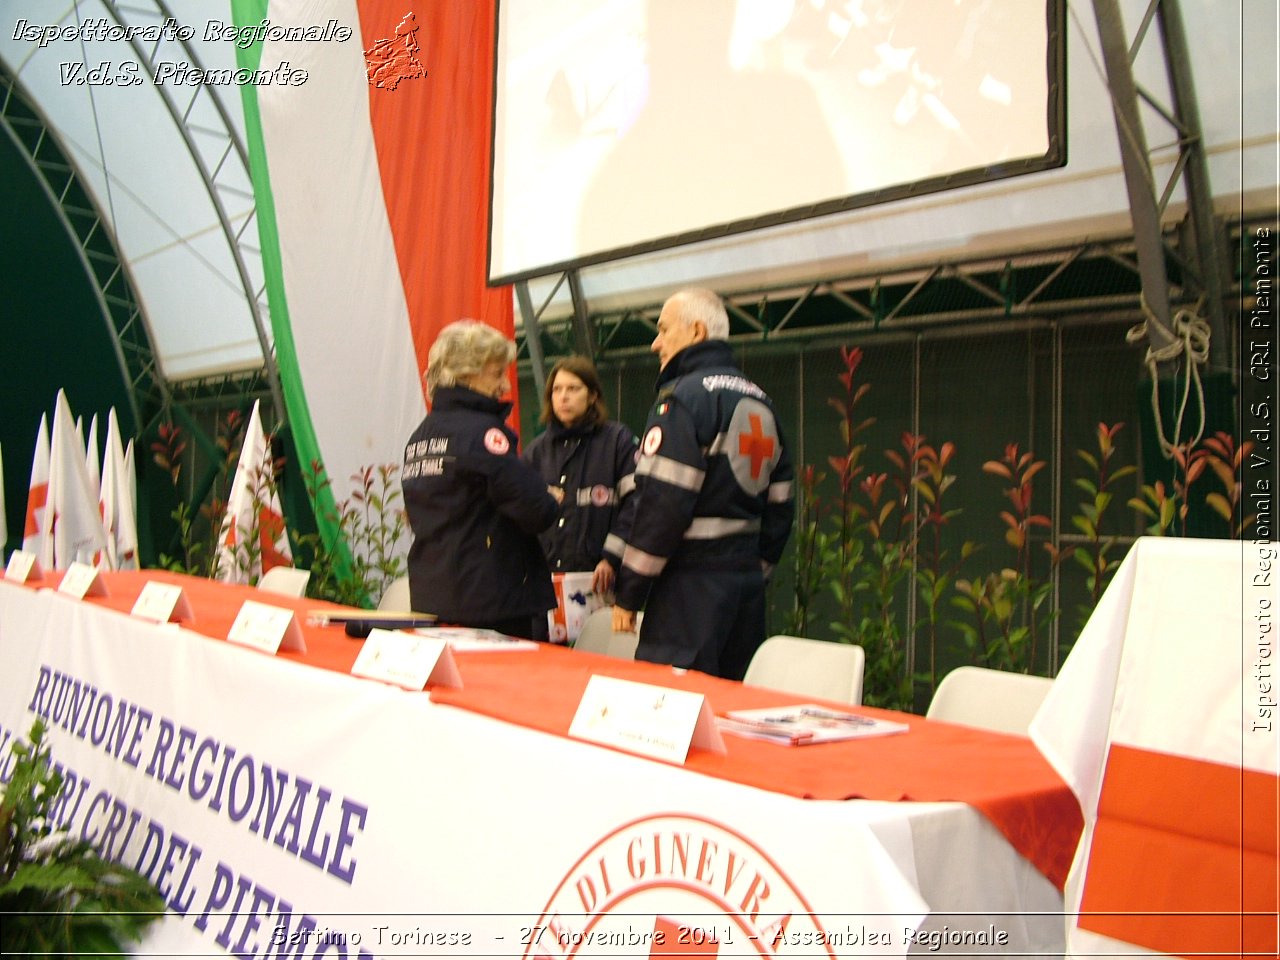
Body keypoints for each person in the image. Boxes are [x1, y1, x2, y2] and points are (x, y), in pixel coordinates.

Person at [611, 288, 794, 679]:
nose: (655, 343)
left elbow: (661, 507)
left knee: (668, 716)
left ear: (696, 332)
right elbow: (782, 505)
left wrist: (629, 594)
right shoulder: (764, 402)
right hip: (745, 594)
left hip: (687, 596)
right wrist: (748, 569)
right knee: (729, 718)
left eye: (662, 329)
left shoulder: (681, 400)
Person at [402, 321, 557, 638]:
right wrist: (549, 496)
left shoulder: (420, 437)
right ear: (468, 372)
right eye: (497, 372)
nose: (505, 385)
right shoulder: (483, 433)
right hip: (491, 602)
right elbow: (535, 508)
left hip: (433, 594)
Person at [523, 356, 638, 604]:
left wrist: (611, 557)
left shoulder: (618, 441)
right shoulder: (536, 451)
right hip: (546, 584)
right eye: (557, 389)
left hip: (602, 582)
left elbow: (637, 504)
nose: (563, 396)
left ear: (593, 395)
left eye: (573, 388)